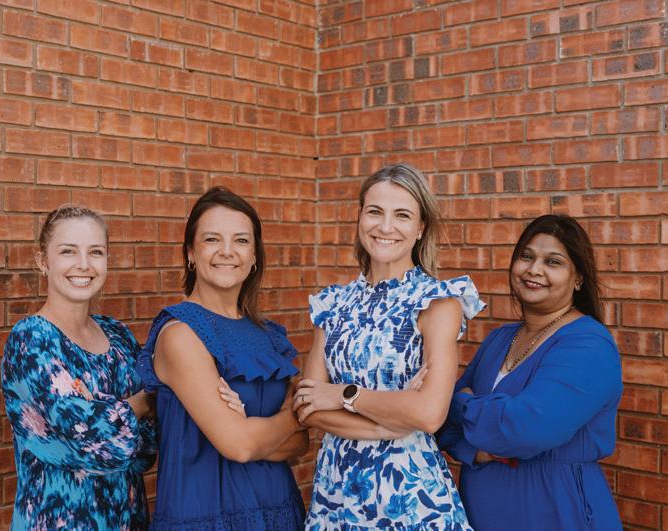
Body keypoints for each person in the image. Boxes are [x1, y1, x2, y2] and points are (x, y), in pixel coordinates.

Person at [294, 163, 485, 530]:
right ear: (360, 216)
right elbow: (307, 407)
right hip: (337, 495)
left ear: (420, 227)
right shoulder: (333, 304)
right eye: (375, 211)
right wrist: (389, 426)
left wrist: (343, 394)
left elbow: (429, 414)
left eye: (402, 215)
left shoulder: (436, 302)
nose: (385, 226)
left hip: (409, 496)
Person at [438, 214, 623, 531]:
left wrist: (462, 404)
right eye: (526, 256)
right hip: (482, 512)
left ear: (578, 278)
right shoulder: (499, 339)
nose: (534, 269)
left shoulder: (588, 345)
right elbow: (439, 421)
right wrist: (473, 450)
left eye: (553, 262)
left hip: (555, 509)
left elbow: (526, 429)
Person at [136, 187, 307, 530]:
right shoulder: (181, 333)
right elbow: (239, 445)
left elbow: (299, 445)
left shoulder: (266, 335)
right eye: (212, 239)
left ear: (255, 255)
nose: (227, 251)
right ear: (190, 253)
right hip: (206, 516)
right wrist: (294, 416)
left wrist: (253, 431)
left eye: (241, 241)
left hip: (277, 509)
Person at [1, 206, 156, 530]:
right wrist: (142, 402)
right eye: (68, 251)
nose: (84, 264)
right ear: (43, 261)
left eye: (95, 252)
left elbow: (148, 446)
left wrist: (105, 411)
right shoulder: (31, 340)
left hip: (128, 519)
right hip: (59, 521)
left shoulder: (118, 335)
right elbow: (91, 440)